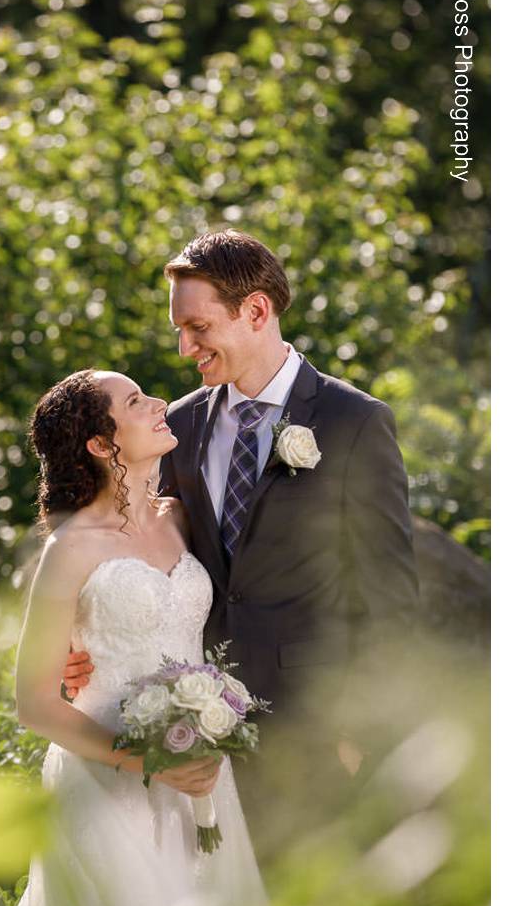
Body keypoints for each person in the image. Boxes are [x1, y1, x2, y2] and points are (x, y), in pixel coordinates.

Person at [64, 231, 420, 858]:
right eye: (179, 329)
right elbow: (128, 541)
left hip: (314, 728)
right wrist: (79, 632)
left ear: (255, 311)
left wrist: (360, 725)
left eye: (198, 327)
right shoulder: (179, 425)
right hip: (196, 731)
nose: (184, 347)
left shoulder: (353, 422)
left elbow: (389, 593)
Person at [10, 368, 266, 906]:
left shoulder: (180, 517)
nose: (157, 403)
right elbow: (34, 702)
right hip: (108, 781)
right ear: (102, 445)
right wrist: (147, 761)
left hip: (202, 766)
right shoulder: (71, 547)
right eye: (135, 401)